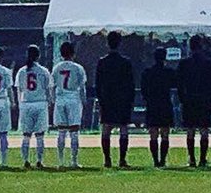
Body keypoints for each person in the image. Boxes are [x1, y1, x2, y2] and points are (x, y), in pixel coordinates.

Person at [95, 32, 136, 169]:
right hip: (122, 99)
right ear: (120, 43)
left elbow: (98, 83)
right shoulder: (126, 62)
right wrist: (130, 100)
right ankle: (122, 159)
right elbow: (131, 83)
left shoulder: (102, 62)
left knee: (106, 129)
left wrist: (100, 99)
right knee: (123, 128)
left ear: (107, 43)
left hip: (107, 99)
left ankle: (107, 159)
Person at [177, 35, 211, 168]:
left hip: (189, 98)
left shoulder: (184, 63)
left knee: (190, 130)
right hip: (204, 99)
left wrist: (182, 98)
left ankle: (192, 158)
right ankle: (202, 158)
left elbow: (179, 83)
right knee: (204, 130)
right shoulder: (209, 63)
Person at [16, 44, 53, 168]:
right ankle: (39, 160)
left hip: (26, 103)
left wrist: (19, 104)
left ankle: (26, 160)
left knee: (26, 135)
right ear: (38, 56)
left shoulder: (22, 71)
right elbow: (48, 89)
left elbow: (19, 89)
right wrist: (50, 102)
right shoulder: (43, 70)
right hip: (40, 103)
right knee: (40, 135)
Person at [53, 42, 89, 169]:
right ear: (73, 53)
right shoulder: (78, 68)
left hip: (60, 98)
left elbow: (53, 86)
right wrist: (83, 101)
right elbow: (82, 87)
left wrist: (53, 100)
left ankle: (61, 161)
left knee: (61, 132)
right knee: (74, 132)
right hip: (73, 98)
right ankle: (74, 161)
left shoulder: (56, 68)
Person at [141, 46, 176, 169]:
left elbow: (143, 89)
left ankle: (156, 160)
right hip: (165, 102)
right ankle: (163, 160)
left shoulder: (147, 72)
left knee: (153, 134)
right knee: (165, 133)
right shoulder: (169, 72)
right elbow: (175, 84)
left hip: (152, 103)